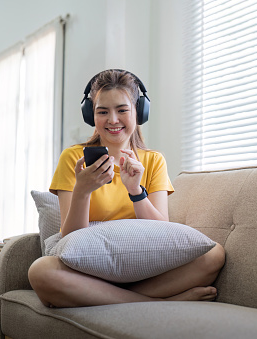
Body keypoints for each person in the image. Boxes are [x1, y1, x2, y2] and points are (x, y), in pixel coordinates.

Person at [28, 69, 225, 308]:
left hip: (145, 270)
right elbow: (70, 239)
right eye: (103, 112)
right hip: (89, 271)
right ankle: (156, 303)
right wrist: (83, 191)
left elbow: (162, 232)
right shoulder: (73, 158)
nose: (112, 120)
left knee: (214, 254)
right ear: (91, 116)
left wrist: (136, 192)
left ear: (139, 112)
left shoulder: (153, 161)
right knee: (41, 271)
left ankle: (114, 298)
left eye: (122, 110)